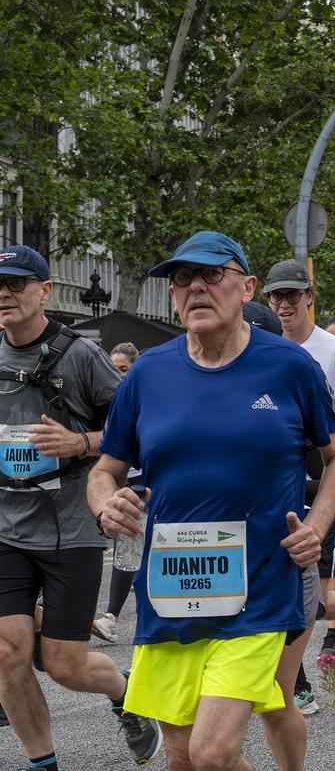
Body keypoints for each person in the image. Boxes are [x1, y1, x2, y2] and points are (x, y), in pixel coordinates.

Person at [87, 231, 335, 771]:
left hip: (258, 585)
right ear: (172, 296)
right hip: (169, 591)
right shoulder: (147, 372)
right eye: (182, 279)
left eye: (212, 275)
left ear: (246, 287)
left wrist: (317, 524)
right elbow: (105, 469)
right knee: (183, 758)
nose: (196, 288)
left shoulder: (287, 366)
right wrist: (105, 505)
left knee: (213, 753)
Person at [0, 245, 161, 771]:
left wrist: (79, 444)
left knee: (65, 665)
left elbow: (131, 435)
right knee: (8, 651)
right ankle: (41, 761)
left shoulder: (80, 355)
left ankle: (124, 690)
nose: (4, 293)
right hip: (6, 527)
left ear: (45, 291)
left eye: (17, 283)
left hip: (72, 527)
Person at [263, 258, 335, 734]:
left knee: (305, 589)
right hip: (270, 475)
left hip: (323, 473)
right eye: (275, 297)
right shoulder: (258, 345)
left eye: (292, 295)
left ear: (310, 296)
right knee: (283, 585)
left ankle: (296, 679)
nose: (284, 304)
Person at [92, 343, 141, 643]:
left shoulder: (143, 396)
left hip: (143, 481)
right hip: (110, 484)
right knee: (119, 544)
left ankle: (111, 616)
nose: (117, 376)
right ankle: (106, 615)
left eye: (123, 370)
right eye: (113, 370)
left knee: (129, 543)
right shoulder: (103, 401)